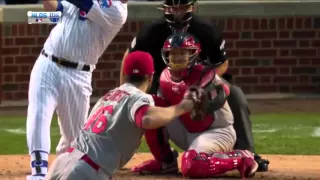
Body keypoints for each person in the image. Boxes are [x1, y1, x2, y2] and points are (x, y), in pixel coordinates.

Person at [119, 0, 269, 172]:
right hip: (163, 81)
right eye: (173, 7)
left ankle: (247, 152)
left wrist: (205, 84)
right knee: (145, 105)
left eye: (182, 7)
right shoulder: (151, 31)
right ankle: (163, 160)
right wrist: (127, 91)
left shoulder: (207, 30)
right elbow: (130, 59)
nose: (177, 12)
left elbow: (222, 63)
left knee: (235, 94)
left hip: (201, 80)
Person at [45, 51, 199, 180]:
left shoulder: (108, 96)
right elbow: (146, 118)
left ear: (125, 75)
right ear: (151, 77)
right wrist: (181, 107)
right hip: (85, 172)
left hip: (61, 163)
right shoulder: (139, 97)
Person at [131, 32, 258, 179]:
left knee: (191, 166)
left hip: (216, 131)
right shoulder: (164, 76)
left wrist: (204, 100)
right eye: (173, 53)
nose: (177, 57)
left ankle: (241, 157)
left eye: (182, 53)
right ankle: (165, 162)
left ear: (192, 54)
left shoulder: (204, 74)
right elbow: (160, 110)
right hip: (187, 129)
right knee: (151, 109)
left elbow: (223, 91)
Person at [26, 0, 127, 179]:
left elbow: (84, 4)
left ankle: (61, 169)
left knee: (75, 141)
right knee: (39, 114)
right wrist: (39, 13)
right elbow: (56, 10)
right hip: (48, 62)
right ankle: (38, 173)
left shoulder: (118, 12)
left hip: (79, 76)